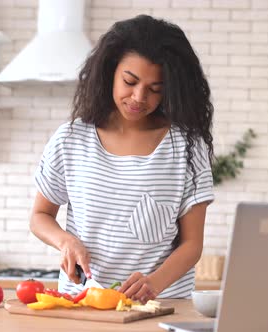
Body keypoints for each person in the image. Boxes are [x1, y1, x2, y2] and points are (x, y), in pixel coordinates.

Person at [30, 14, 214, 303]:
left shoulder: (187, 146)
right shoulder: (71, 139)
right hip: (82, 303)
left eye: (155, 89)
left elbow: (192, 244)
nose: (139, 97)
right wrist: (66, 241)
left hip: (160, 304)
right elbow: (40, 216)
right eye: (130, 81)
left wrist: (154, 283)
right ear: (110, 72)